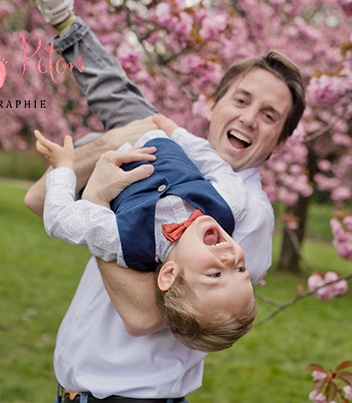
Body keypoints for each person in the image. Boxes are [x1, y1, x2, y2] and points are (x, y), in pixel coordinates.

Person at [24, 1, 306, 403]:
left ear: (279, 141)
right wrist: (68, 28)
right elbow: (42, 191)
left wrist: (97, 202)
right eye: (241, 100)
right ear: (212, 105)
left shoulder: (243, 213)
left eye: (269, 116)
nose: (249, 119)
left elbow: (144, 314)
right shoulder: (171, 158)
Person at [34, 118, 257, 352]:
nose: (231, 260)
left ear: (170, 273)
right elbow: (217, 166)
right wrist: (178, 132)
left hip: (111, 144)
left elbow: (58, 219)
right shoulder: (229, 204)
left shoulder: (125, 240)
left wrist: (65, 167)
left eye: (215, 274)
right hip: (157, 124)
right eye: (241, 269)